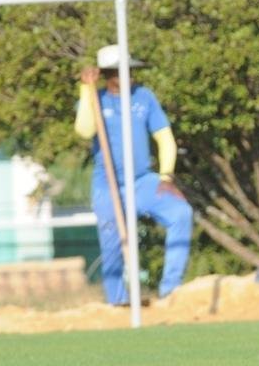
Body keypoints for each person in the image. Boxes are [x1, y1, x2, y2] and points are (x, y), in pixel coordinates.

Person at [74, 45, 194, 304]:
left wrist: (166, 176)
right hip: (108, 187)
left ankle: (170, 290)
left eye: (130, 71)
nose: (128, 76)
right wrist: (86, 89)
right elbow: (84, 130)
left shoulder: (144, 97)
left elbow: (165, 139)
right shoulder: (97, 98)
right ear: (108, 75)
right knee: (112, 246)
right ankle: (118, 302)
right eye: (120, 72)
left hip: (143, 181)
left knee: (181, 213)